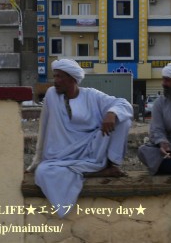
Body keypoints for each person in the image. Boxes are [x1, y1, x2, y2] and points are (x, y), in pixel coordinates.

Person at [26, 59, 133, 217]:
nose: (55, 81)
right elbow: (43, 127)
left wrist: (112, 113)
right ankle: (93, 173)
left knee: (123, 120)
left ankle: (112, 165)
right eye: (54, 76)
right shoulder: (51, 95)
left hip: (91, 149)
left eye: (59, 77)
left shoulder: (92, 95)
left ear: (72, 79)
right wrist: (35, 163)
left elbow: (124, 104)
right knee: (42, 172)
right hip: (60, 156)